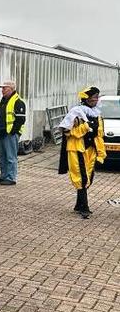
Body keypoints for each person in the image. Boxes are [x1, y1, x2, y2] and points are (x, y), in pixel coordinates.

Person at [58, 86, 106, 218]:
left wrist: (101, 153)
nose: (96, 100)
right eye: (94, 97)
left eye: (97, 97)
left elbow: (99, 135)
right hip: (76, 148)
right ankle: (84, 207)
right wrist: (85, 127)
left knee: (89, 176)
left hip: (90, 150)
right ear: (86, 99)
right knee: (81, 177)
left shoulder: (96, 114)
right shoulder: (76, 112)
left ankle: (78, 205)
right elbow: (67, 131)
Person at [0, 80, 26, 186]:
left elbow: (21, 119)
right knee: (2, 156)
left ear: (11, 89)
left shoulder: (18, 102)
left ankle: (11, 178)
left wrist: (12, 131)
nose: (2, 90)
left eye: (4, 88)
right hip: (2, 134)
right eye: (2, 88)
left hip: (10, 134)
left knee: (10, 157)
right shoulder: (3, 101)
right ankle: (3, 176)